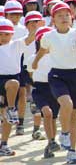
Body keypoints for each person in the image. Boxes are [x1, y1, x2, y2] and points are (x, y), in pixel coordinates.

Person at [32, 1, 76, 164]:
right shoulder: (48, 36)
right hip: (56, 75)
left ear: (72, 17)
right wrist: (35, 62)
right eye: (59, 15)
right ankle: (64, 133)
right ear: (53, 19)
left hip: (74, 76)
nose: (64, 18)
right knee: (66, 103)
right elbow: (42, 50)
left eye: (67, 15)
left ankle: (72, 151)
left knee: (74, 115)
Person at [0, 18, 37, 156]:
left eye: (7, 34)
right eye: (0, 34)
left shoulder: (16, 45)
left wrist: (34, 30)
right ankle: (11, 109)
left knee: (8, 118)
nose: (3, 37)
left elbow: (29, 39)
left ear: (11, 34)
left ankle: (4, 144)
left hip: (12, 81)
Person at [27, 26, 61, 158]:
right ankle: (52, 141)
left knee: (53, 118)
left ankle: (50, 143)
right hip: (40, 90)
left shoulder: (57, 57)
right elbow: (30, 74)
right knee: (47, 113)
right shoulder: (32, 58)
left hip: (55, 89)